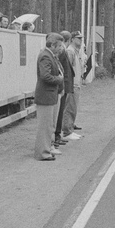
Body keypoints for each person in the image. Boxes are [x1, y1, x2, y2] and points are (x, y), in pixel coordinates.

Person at [33, 33, 65, 161]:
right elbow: (45, 76)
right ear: (52, 45)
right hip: (45, 96)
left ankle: (47, 148)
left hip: (50, 95)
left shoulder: (50, 55)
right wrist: (59, 79)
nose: (60, 49)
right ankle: (42, 152)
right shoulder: (45, 56)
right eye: (58, 46)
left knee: (48, 126)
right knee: (44, 127)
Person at [62, 31, 85, 139]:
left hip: (76, 84)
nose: (81, 40)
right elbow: (67, 70)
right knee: (69, 107)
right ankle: (67, 130)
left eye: (81, 38)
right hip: (72, 85)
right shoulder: (70, 52)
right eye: (78, 38)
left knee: (73, 107)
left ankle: (70, 126)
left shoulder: (76, 51)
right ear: (72, 39)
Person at [54, 31, 74, 148]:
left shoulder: (63, 52)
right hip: (62, 85)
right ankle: (56, 136)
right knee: (59, 112)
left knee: (61, 112)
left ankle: (58, 135)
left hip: (64, 85)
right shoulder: (62, 53)